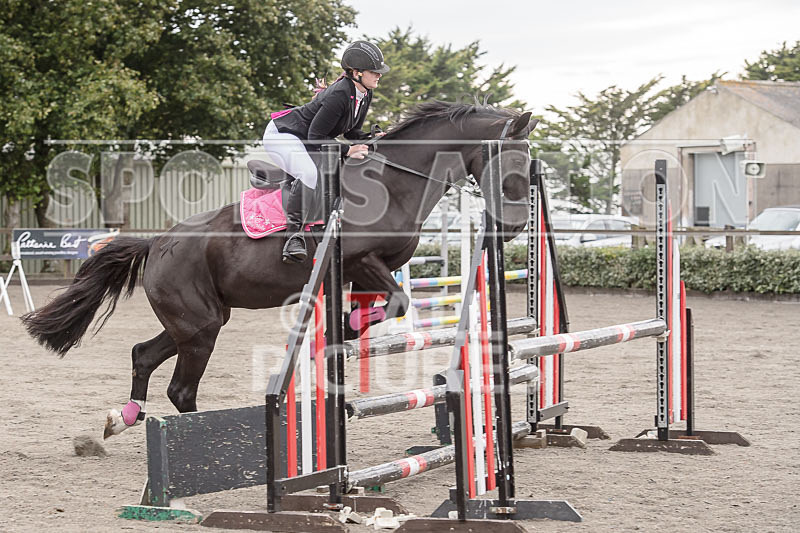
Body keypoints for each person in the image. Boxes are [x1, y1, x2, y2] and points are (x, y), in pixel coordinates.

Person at [262, 40, 390, 264]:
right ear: (356, 73)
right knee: (309, 173)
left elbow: (352, 132)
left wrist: (372, 139)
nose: (379, 76)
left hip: (304, 137)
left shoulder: (364, 94)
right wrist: (348, 150)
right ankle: (293, 236)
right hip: (282, 135)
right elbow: (316, 137)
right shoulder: (339, 94)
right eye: (374, 72)